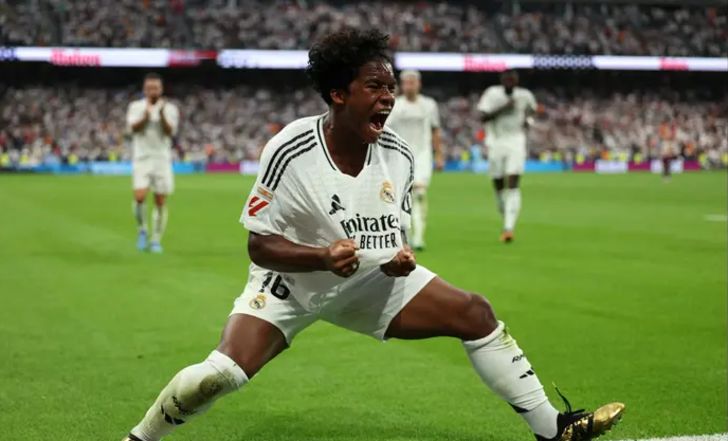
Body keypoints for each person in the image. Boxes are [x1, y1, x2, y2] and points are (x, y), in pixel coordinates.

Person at [122, 30, 623, 441]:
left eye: (390, 87)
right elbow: (259, 245)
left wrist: (398, 259)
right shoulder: (290, 149)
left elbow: (389, 236)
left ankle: (553, 430)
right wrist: (321, 257)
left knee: (476, 313)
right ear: (338, 94)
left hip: (367, 280)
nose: (388, 97)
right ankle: (140, 438)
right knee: (219, 376)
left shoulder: (399, 154)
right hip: (292, 285)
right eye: (374, 86)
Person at [385, 69, 443, 251]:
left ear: (419, 84)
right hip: (400, 156)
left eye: (413, 82)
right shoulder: (395, 105)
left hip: (423, 155)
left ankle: (419, 237)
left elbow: (435, 130)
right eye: (406, 83)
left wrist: (439, 154)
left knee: (419, 194)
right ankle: (406, 235)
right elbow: (386, 130)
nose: (409, 86)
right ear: (402, 85)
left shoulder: (429, 105)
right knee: (402, 197)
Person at [478, 70, 536, 243]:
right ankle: (506, 213)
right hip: (496, 141)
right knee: (498, 185)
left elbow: (532, 111)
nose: (510, 82)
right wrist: (504, 107)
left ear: (517, 81)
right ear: (502, 80)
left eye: (513, 79)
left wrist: (528, 121)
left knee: (513, 181)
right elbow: (483, 117)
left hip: (516, 140)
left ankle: (508, 228)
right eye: (507, 79)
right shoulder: (492, 94)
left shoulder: (525, 95)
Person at [126, 72, 180, 253]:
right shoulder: (136, 107)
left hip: (162, 158)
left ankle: (156, 239)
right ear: (144, 89)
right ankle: (142, 229)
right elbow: (133, 129)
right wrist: (146, 116)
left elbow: (170, 132)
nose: (152, 91)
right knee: (139, 197)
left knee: (160, 200)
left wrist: (162, 114)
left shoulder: (170, 109)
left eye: (155, 88)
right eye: (149, 88)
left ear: (161, 89)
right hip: (142, 157)